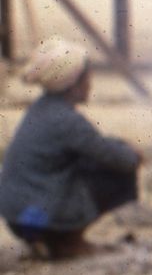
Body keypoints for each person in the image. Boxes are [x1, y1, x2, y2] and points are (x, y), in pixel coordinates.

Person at [0, 39, 141, 259]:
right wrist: (133, 153)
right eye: (87, 78)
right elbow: (121, 159)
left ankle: (48, 240)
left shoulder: (40, 109)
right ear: (74, 84)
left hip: (18, 218)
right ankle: (67, 242)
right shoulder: (68, 121)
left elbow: (95, 145)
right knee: (119, 174)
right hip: (38, 218)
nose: (90, 84)